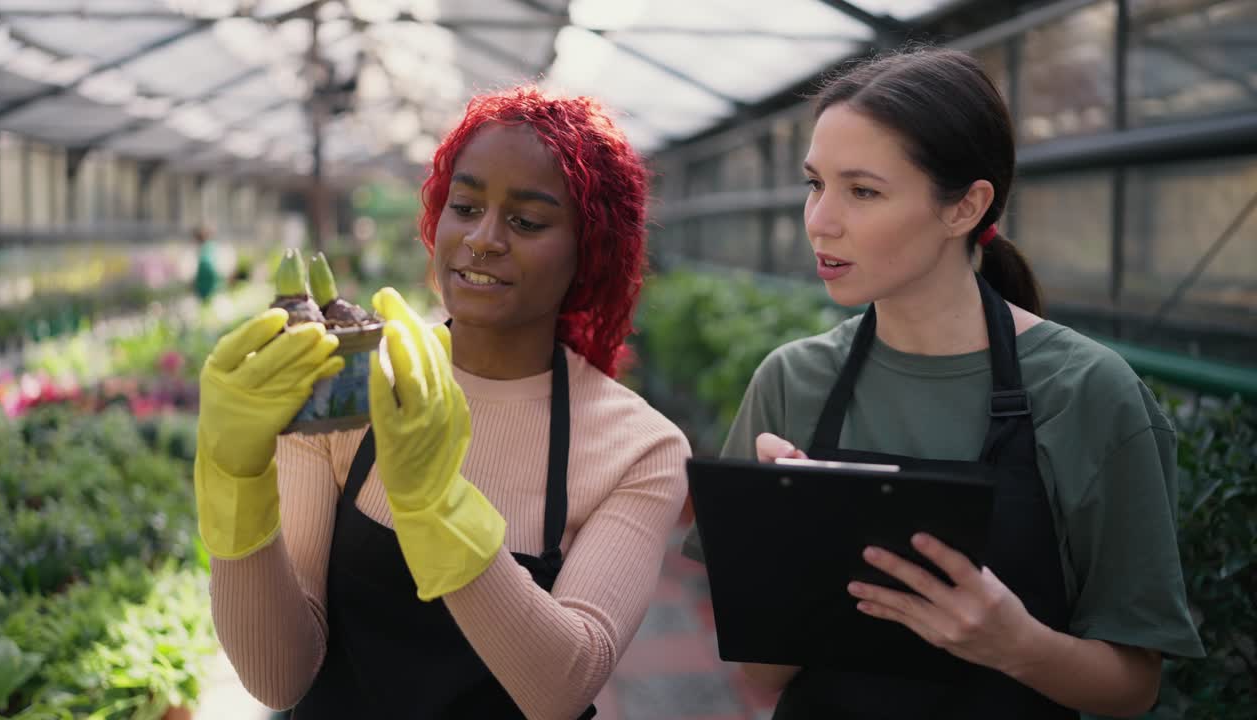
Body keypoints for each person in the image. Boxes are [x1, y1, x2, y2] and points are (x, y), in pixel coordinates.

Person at [681, 48, 1203, 719]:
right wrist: (789, 548)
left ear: (965, 208)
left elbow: (1133, 689)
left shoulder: (1090, 393)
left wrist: (1016, 645)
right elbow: (762, 674)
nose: (819, 220)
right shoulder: (791, 380)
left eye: (862, 191)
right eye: (815, 184)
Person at [193, 86, 691, 718]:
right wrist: (237, 476)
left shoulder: (637, 447)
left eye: (527, 221)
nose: (483, 239)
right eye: (466, 205)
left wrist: (434, 502)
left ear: (588, 251)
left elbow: (562, 689)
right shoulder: (354, 381)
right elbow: (278, 679)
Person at [192, 224, 222, 302]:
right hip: (211, 287)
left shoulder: (207, 249)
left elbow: (208, 268)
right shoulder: (209, 247)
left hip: (208, 288)